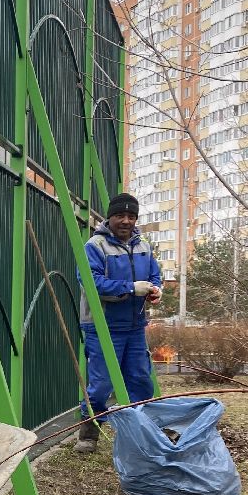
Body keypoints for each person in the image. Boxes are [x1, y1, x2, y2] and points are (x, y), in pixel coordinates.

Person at [76, 192, 162, 452]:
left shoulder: (143, 245)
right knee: (101, 383)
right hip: (102, 326)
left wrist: (156, 290)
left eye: (131, 216)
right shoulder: (95, 246)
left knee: (139, 379)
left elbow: (155, 274)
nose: (126, 221)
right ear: (109, 217)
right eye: (120, 215)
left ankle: (140, 431)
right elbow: (92, 283)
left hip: (135, 326)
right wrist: (131, 288)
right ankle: (89, 431)